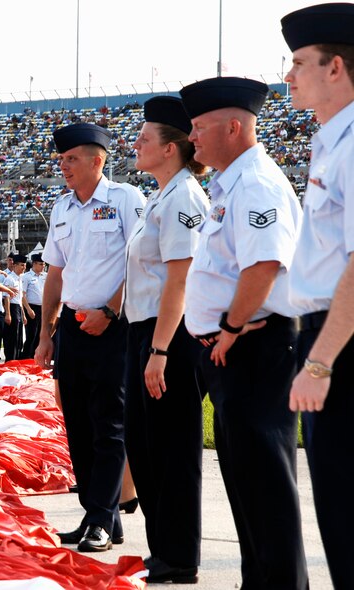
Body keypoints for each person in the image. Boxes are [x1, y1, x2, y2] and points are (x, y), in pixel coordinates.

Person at [180, 76, 307, 588]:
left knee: (266, 482)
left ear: (233, 127)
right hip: (233, 350)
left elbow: (264, 265)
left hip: (255, 346)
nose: (192, 138)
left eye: (199, 127)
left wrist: (230, 328)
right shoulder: (229, 181)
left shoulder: (256, 182)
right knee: (246, 479)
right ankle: (260, 578)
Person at [34, 122, 145, 552]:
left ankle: (102, 514)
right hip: (74, 332)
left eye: (72, 158)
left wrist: (111, 310)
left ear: (98, 160)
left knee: (109, 423)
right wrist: (46, 335)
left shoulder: (124, 200)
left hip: (113, 328)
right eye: (61, 159)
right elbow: (55, 274)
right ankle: (100, 515)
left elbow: (139, 261)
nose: (64, 166)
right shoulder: (62, 207)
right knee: (78, 425)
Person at [283, 6, 354, 588]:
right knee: (337, 511)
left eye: (299, 63)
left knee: (348, 510)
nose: (289, 76)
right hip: (327, 331)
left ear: (336, 68)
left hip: (341, 340)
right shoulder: (332, 141)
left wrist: (320, 360)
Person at [124, 96, 208, 583]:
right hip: (145, 331)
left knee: (173, 447)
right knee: (146, 442)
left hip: (169, 336)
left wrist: (158, 350)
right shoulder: (158, 196)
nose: (136, 145)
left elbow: (179, 280)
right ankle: (163, 546)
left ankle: (180, 556)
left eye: (145, 139)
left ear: (172, 149)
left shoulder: (183, 198)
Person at [1, 255, 26, 361]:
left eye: (24, 265)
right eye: (21, 265)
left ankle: (16, 359)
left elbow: (20, 299)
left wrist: (23, 314)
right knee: (12, 337)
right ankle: (10, 359)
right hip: (12, 308)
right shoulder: (10, 278)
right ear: (14, 265)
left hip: (18, 308)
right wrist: (8, 313)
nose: (23, 267)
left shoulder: (20, 279)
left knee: (18, 337)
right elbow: (6, 297)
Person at [20, 253, 46, 358]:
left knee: (40, 335)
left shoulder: (46, 276)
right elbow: (23, 294)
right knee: (32, 335)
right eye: (41, 264)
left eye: (44, 264)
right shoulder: (27, 277)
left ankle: (37, 357)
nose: (43, 266)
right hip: (32, 307)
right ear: (34, 264)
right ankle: (26, 357)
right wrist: (29, 309)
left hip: (43, 308)